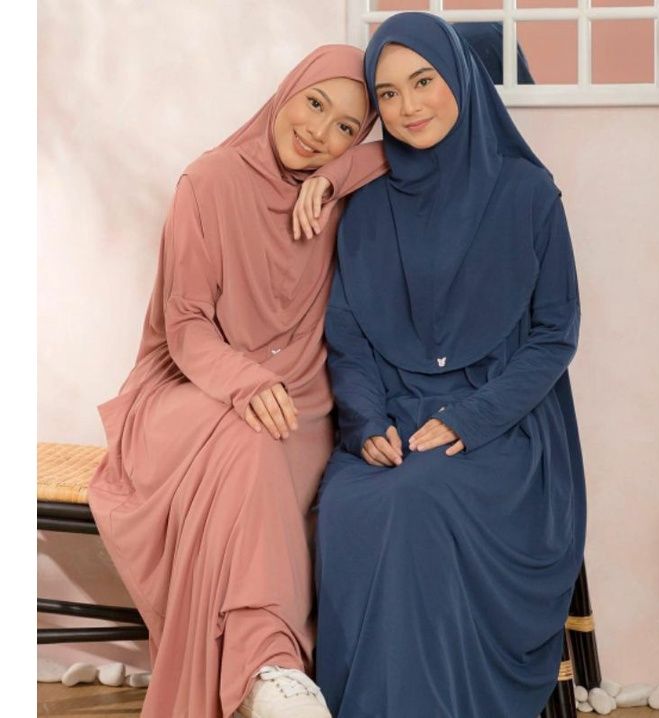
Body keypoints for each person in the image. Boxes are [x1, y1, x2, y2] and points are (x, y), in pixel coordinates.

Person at [88, 45, 386, 718]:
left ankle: (261, 680)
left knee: (268, 453)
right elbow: (187, 323)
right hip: (190, 393)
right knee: (247, 442)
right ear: (287, 92)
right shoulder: (209, 181)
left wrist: (335, 177)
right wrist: (245, 382)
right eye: (314, 104)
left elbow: (422, 149)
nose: (319, 132)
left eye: (346, 127)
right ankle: (270, 667)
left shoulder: (338, 194)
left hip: (304, 406)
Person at [314, 13, 587, 717]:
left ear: (460, 78)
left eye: (423, 81)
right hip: (392, 416)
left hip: (505, 425)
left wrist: (472, 417)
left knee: (419, 496)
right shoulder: (367, 205)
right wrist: (364, 421)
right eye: (388, 94)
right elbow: (348, 335)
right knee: (347, 503)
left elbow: (555, 333)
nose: (408, 106)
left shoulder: (528, 194)